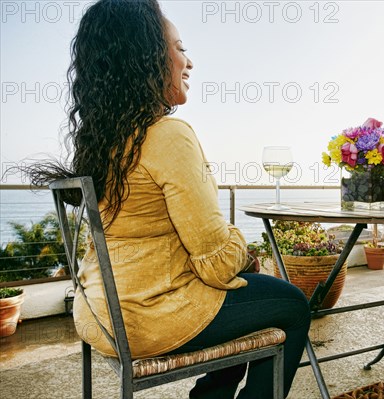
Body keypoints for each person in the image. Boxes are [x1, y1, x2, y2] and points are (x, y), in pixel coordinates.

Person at [26, 1, 311, 398]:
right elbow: (214, 264)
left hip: (100, 313)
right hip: (147, 318)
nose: (189, 62)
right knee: (291, 304)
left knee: (250, 294)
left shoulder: (100, 142)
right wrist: (242, 253)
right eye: (180, 48)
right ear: (145, 58)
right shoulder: (166, 135)